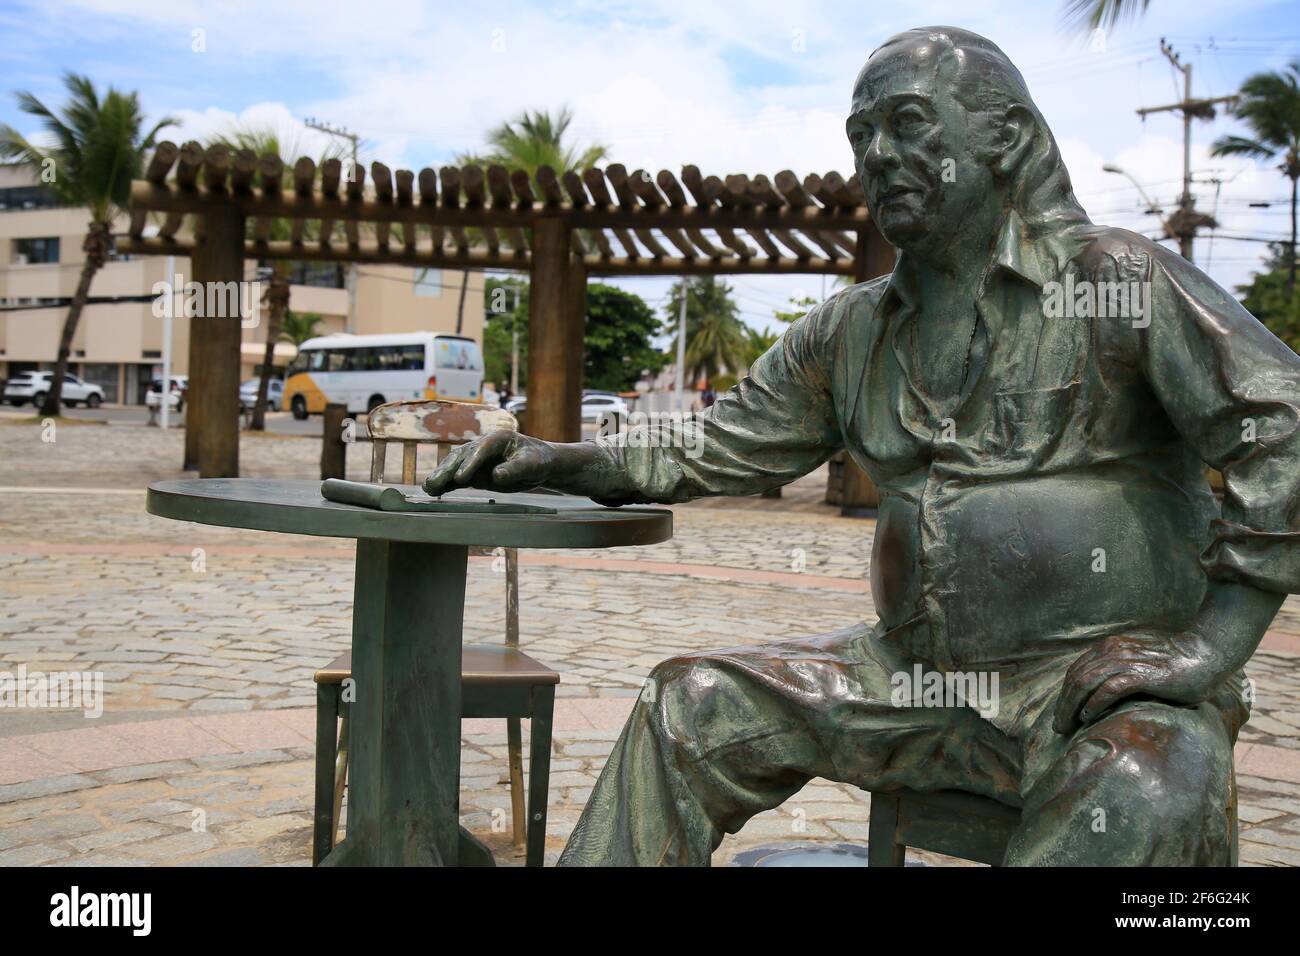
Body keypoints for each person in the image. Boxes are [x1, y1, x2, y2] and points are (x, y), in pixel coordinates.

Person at [425, 26, 1300, 865]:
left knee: (1147, 781)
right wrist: (555, 459)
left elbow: (1283, 422)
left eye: (908, 122)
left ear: (1006, 137)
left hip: (1091, 690)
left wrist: (1214, 644)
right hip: (909, 681)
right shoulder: (850, 329)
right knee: (688, 704)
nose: (877, 152)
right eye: (861, 132)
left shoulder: (1116, 280)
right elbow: (709, 443)